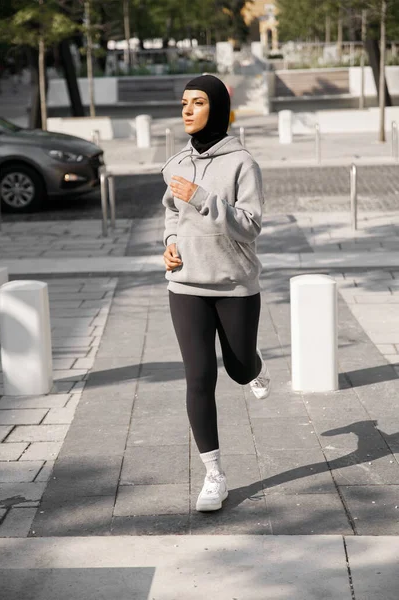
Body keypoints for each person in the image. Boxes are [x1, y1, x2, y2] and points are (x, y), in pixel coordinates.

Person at [161, 74, 271, 512]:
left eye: (198, 102)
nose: (187, 110)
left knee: (239, 369)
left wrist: (204, 197)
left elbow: (251, 226)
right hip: (186, 284)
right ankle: (214, 474)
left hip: (234, 284)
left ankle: (255, 370)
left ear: (218, 109)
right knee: (199, 376)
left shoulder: (242, 163)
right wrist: (169, 245)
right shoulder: (173, 164)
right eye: (184, 102)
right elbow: (170, 215)